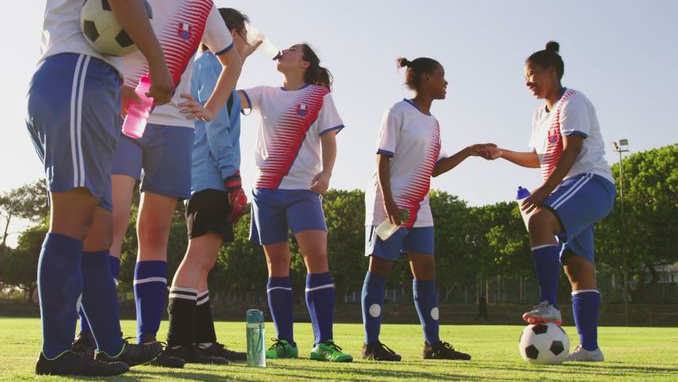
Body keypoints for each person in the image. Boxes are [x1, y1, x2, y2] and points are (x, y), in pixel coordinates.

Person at [26, 0, 193, 377]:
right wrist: (157, 62)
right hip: (74, 80)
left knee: (98, 233)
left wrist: (115, 88)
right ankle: (57, 353)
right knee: (72, 223)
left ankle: (111, 347)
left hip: (87, 86)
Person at [71, 0, 244, 369]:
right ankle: (90, 335)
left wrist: (207, 107)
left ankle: (149, 339)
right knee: (110, 223)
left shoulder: (202, 3)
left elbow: (232, 61)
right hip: (126, 118)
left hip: (176, 127)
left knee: (155, 234)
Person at [482, 41, 616, 362]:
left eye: (532, 75)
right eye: (525, 77)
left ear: (552, 72)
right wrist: (502, 153)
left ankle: (548, 305)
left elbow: (572, 150)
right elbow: (538, 157)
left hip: (590, 183)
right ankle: (590, 349)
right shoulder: (539, 115)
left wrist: (544, 193)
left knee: (540, 219)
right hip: (571, 189)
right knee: (577, 268)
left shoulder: (573, 102)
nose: (528, 82)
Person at [360, 57, 488, 362]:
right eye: (441, 77)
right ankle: (371, 344)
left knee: (427, 271)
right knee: (380, 270)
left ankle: (432, 345)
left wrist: (469, 152)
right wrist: (390, 204)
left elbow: (436, 169)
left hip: (420, 207)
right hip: (388, 203)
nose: (446, 83)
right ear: (425, 78)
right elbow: (382, 159)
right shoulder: (398, 111)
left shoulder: (433, 122)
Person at [237, 43, 351, 362]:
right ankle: (285, 342)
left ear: (303, 63)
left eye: (291, 50)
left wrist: (326, 174)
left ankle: (324, 343)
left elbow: (329, 140)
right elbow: (225, 100)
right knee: (277, 266)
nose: (282, 51)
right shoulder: (263, 93)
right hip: (266, 190)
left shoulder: (319, 96)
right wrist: (236, 57)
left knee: (317, 259)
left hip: (304, 189)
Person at [164, 7, 259, 364]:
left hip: (202, 178)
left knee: (204, 263)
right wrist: (233, 180)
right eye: (242, 37)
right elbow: (217, 126)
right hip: (211, 178)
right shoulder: (212, 67)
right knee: (199, 258)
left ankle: (203, 344)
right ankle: (177, 343)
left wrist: (241, 56)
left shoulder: (206, 66)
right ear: (230, 34)